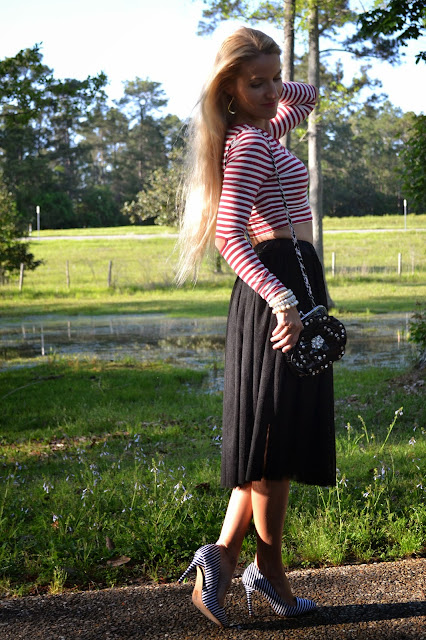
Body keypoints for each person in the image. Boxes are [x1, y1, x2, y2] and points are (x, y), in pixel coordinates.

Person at [176, 27, 336, 628]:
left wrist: (267, 82)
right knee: (273, 443)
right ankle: (265, 571)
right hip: (276, 290)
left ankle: (224, 559)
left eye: (274, 79)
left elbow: (309, 95)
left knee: (275, 441)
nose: (273, 93)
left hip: (292, 282)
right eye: (256, 83)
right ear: (230, 89)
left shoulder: (263, 130)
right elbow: (229, 236)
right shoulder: (248, 143)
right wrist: (283, 300)